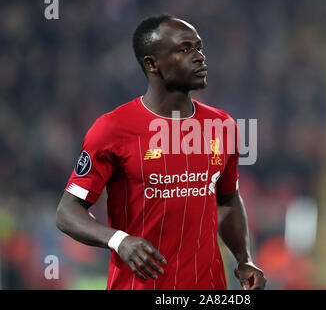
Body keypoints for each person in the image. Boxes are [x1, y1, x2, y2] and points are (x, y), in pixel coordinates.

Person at [56, 14, 266, 290]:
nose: (199, 56)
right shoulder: (112, 129)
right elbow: (67, 211)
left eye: (199, 47)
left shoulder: (222, 126)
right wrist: (119, 240)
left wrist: (244, 259)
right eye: (184, 49)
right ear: (152, 64)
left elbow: (228, 200)